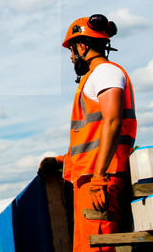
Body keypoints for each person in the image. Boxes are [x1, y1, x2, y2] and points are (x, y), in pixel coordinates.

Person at [38, 14, 137, 252]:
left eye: (72, 50)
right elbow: (92, 135)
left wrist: (99, 177)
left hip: (101, 181)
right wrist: (63, 160)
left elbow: (112, 121)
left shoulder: (105, 73)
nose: (71, 57)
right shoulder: (94, 78)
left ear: (82, 46)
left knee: (99, 248)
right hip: (91, 180)